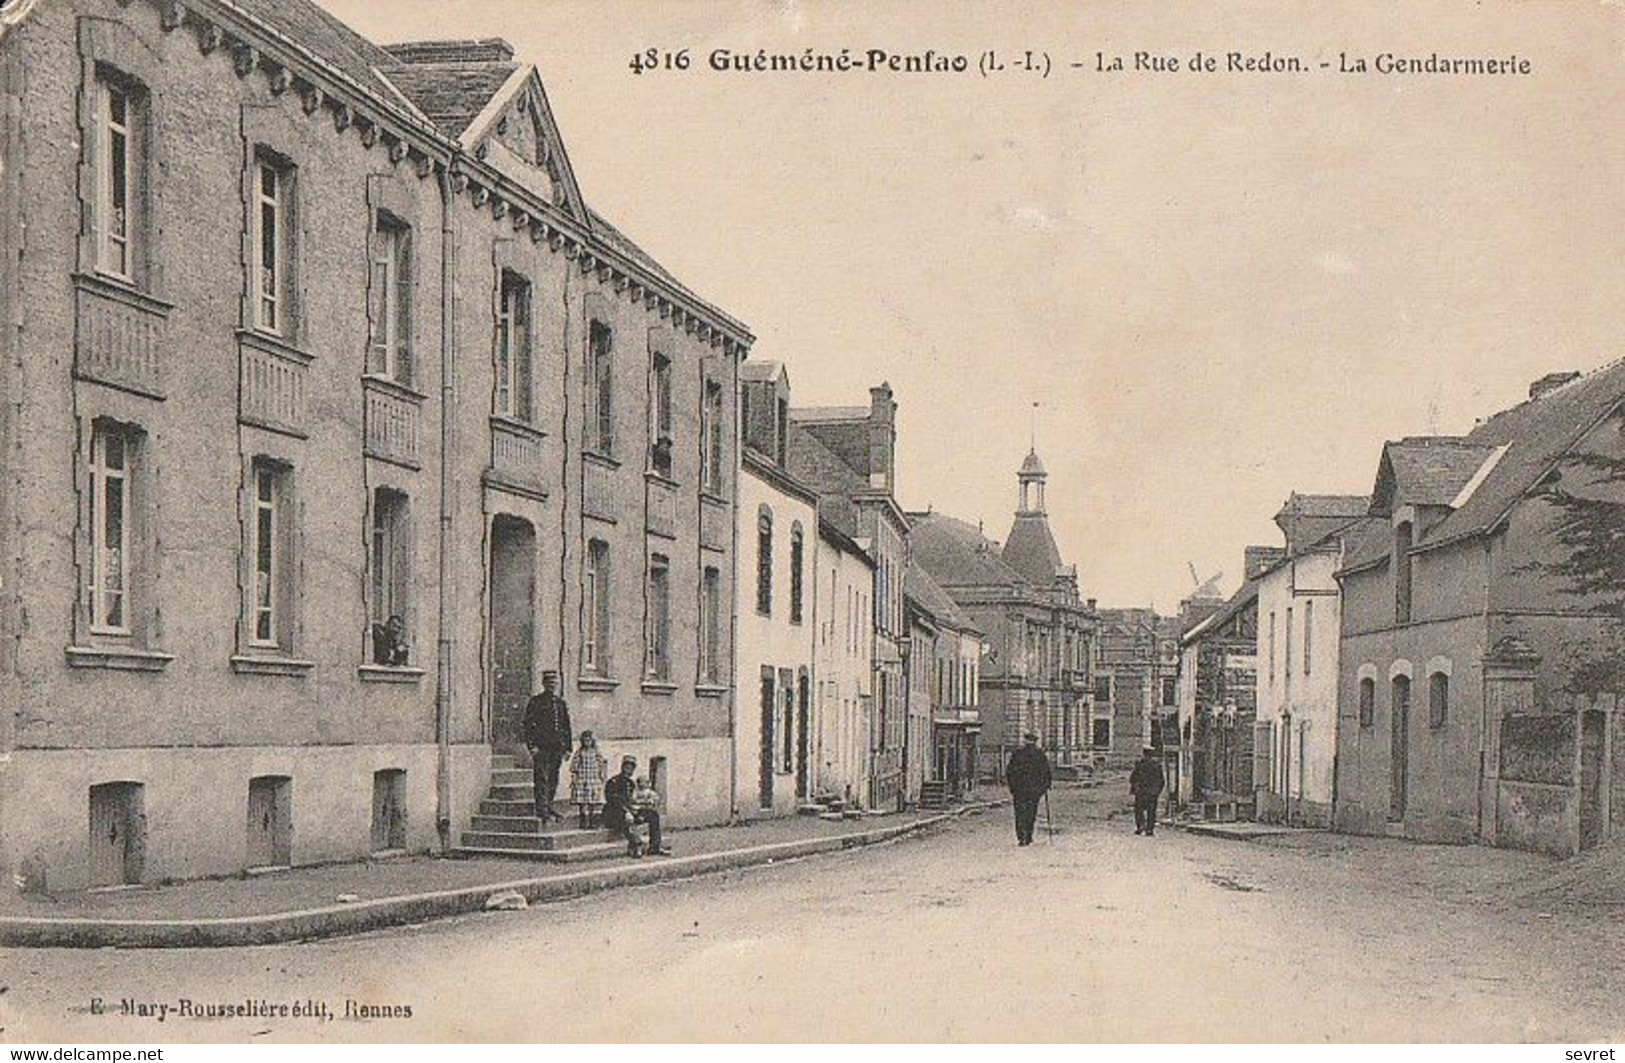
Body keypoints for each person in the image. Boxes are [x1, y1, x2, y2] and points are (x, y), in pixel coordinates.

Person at [522, 671, 571, 823]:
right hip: (541, 747)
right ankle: (541, 809)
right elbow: (528, 725)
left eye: (554, 683)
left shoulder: (560, 703)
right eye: (549, 683)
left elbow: (566, 726)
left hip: (556, 747)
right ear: (543, 684)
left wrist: (568, 747)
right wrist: (532, 746)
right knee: (541, 778)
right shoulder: (536, 702)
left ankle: (549, 805)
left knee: (553, 778)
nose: (552, 686)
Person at [604, 756, 670, 857]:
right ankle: (636, 845)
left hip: (629, 811)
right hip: (614, 813)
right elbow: (613, 801)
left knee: (653, 815)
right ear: (622, 767)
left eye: (632, 768)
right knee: (625, 819)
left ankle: (654, 847)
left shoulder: (631, 783)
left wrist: (638, 808)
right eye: (627, 767)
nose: (629, 770)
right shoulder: (613, 782)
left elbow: (632, 800)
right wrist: (626, 812)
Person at [1004, 731, 1052, 846]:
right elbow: (1046, 773)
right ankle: (1028, 836)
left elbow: (1010, 772)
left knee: (1020, 813)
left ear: (1025, 741)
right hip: (1034, 790)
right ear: (1035, 742)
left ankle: (1021, 837)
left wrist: (1012, 787)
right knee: (1031, 813)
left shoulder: (1018, 753)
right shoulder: (1040, 754)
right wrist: (1045, 787)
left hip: (1019, 790)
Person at [568, 730, 608, 830]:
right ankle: (583, 819)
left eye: (589, 740)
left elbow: (601, 764)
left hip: (593, 779)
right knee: (583, 801)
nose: (587, 742)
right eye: (585, 740)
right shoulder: (579, 752)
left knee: (592, 801)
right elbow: (574, 766)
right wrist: (574, 777)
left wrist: (602, 774)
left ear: (592, 741)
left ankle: (591, 820)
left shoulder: (596, 752)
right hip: (582, 779)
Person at [1130, 747, 1166, 836]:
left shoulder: (1140, 764)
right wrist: (1157, 791)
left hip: (1142, 791)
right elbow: (1161, 780)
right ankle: (1149, 829)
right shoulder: (1156, 765)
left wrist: (1135, 788)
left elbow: (1133, 778)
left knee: (1139, 810)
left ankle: (1141, 826)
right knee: (1151, 811)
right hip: (1151, 793)